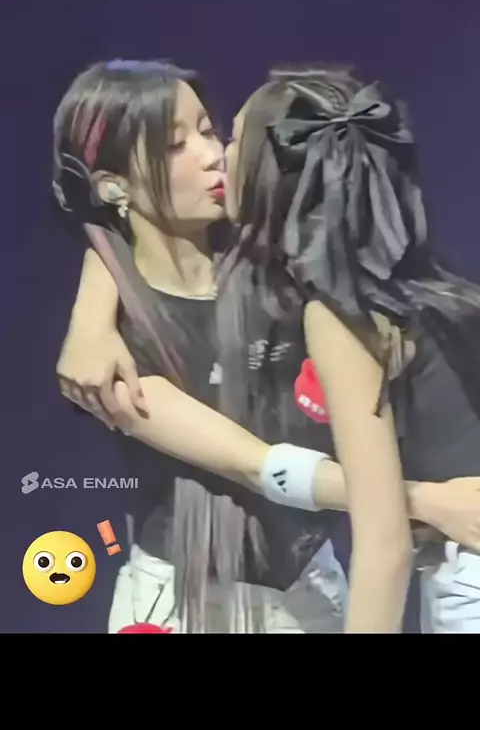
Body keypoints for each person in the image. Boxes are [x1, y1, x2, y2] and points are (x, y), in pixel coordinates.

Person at [57, 61, 480, 633]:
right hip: (180, 602)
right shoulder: (119, 339)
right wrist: (422, 501)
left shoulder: (284, 275)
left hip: (308, 590)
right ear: (113, 186)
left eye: (209, 131)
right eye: (176, 145)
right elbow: (254, 464)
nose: (212, 155)